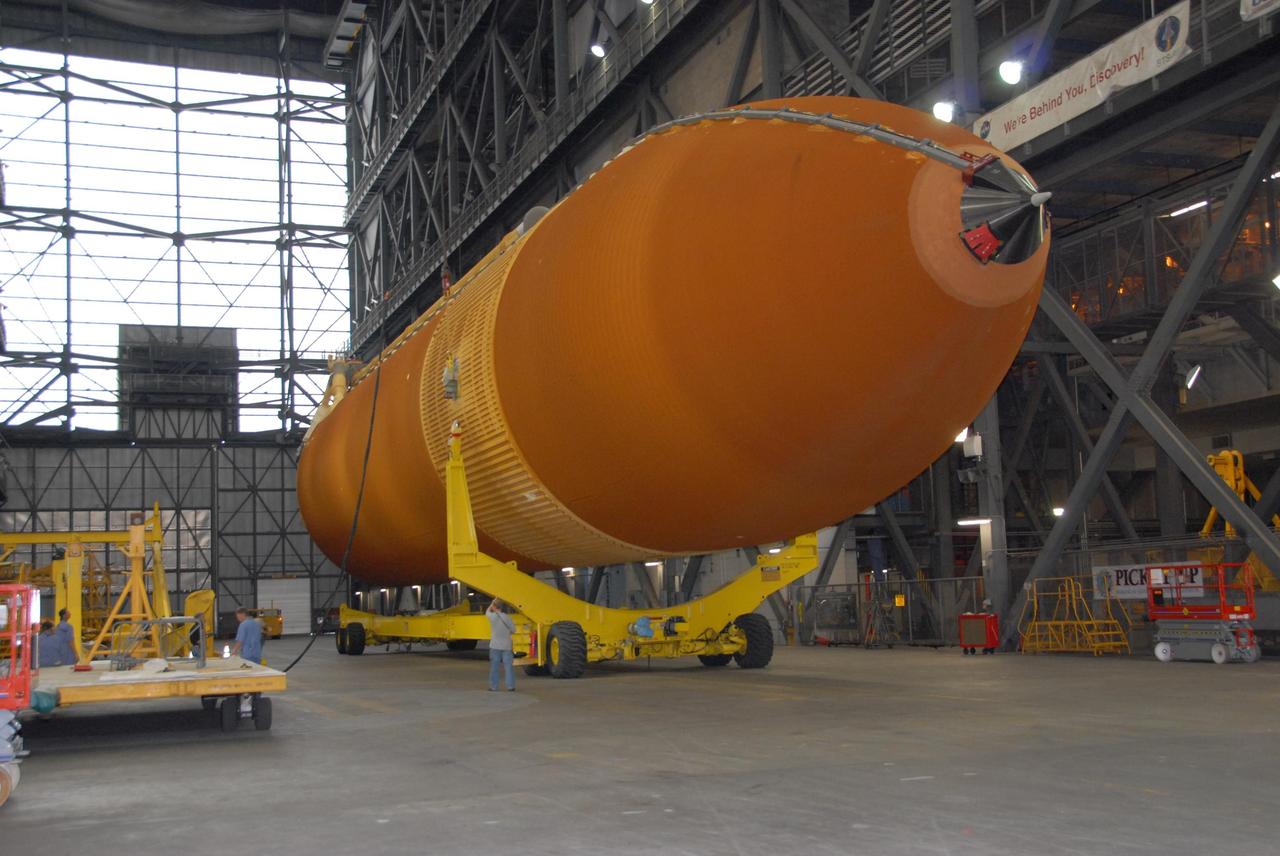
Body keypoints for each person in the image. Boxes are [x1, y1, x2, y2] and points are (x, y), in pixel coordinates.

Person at [486, 599, 516, 692]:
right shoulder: (507, 617)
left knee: (494, 667)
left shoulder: (492, 617)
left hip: (495, 645)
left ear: (494, 606)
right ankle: (510, 686)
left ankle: (493, 686)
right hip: (506, 645)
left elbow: (487, 612)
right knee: (508, 667)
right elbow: (514, 630)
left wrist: (492, 603)